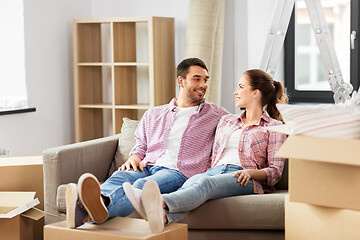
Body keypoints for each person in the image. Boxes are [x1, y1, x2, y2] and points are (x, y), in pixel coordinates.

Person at [65, 57, 229, 228]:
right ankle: (92, 207)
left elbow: (240, 128)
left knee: (141, 186)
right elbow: (141, 143)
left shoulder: (216, 114)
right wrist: (135, 156)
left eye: (205, 80)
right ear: (181, 81)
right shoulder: (154, 113)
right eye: (197, 79)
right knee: (120, 176)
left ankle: (91, 209)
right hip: (148, 165)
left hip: (180, 171)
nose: (203, 85)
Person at [124, 69, 288, 233]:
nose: (235, 92)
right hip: (215, 170)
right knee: (190, 185)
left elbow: (275, 172)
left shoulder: (275, 127)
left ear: (255, 93)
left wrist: (252, 173)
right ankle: (166, 217)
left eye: (240, 87)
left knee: (204, 183)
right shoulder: (227, 120)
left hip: (243, 176)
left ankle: (159, 202)